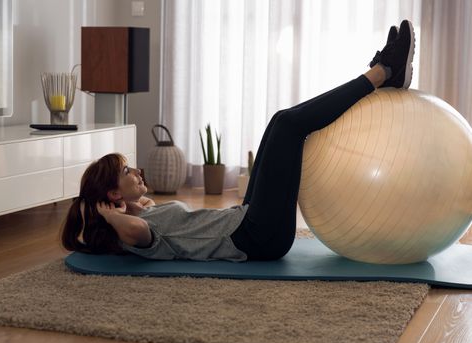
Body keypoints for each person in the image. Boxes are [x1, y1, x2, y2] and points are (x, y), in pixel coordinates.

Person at [61, 19, 415, 262]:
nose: (137, 170)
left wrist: (128, 204)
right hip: (256, 238)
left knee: (280, 120)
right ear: (112, 194)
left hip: (246, 222)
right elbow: (136, 231)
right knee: (292, 125)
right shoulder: (134, 235)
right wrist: (107, 216)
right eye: (126, 170)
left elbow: (139, 215)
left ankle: (383, 74)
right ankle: (382, 73)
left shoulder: (142, 213)